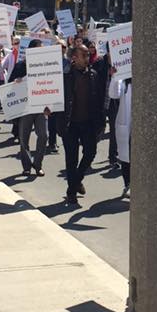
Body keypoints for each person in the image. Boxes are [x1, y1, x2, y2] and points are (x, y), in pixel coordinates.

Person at [60, 43, 106, 204]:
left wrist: (101, 122)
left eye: (88, 55)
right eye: (84, 55)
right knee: (71, 159)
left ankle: (76, 179)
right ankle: (72, 191)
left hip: (88, 123)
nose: (88, 58)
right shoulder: (65, 75)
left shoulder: (93, 75)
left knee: (90, 152)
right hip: (70, 123)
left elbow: (100, 99)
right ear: (74, 57)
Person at [9, 41, 47, 177]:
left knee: (43, 136)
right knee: (24, 138)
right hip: (25, 107)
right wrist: (16, 82)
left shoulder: (45, 66)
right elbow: (10, 85)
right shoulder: (20, 66)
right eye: (38, 49)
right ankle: (26, 166)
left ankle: (38, 164)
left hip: (41, 106)